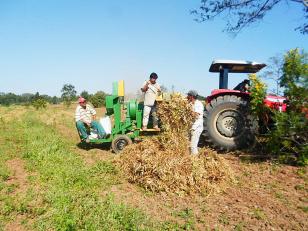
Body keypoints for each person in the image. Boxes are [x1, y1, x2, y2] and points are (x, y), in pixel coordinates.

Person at [187, 90, 204, 155]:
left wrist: (188, 110)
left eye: (188, 95)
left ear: (192, 96)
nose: (187, 97)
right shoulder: (190, 103)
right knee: (188, 144)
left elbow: (196, 115)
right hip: (191, 127)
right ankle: (189, 158)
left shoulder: (198, 104)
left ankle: (195, 160)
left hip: (196, 127)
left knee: (193, 146)